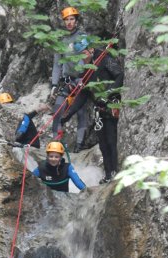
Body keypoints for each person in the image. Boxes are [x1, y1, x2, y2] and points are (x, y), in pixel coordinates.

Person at [61, 37, 124, 184]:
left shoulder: (104, 58)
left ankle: (114, 171)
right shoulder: (85, 71)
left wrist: (107, 95)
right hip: (99, 108)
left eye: (83, 54)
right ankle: (108, 173)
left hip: (111, 103)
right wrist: (68, 114)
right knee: (102, 142)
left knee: (111, 139)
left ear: (90, 50)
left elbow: (119, 75)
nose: (81, 58)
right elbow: (83, 95)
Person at [50, 7, 88, 153]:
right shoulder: (61, 41)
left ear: (76, 21)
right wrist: (54, 84)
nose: (69, 22)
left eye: (72, 19)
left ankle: (79, 145)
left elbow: (84, 58)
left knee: (80, 112)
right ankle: (56, 143)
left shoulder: (83, 37)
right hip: (66, 81)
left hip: (80, 79)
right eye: (67, 20)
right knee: (58, 110)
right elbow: (57, 64)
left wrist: (81, 78)